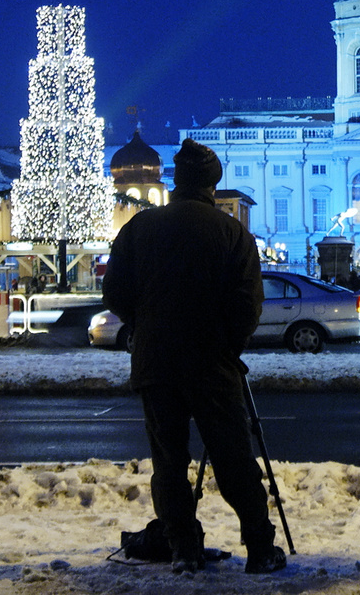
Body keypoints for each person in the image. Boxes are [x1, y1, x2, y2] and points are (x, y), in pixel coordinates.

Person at [101, 139, 287, 575]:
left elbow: (114, 292)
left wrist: (146, 324)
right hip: (211, 361)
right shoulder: (231, 232)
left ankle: (183, 547)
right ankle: (260, 548)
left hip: (156, 362)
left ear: (177, 180)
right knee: (233, 458)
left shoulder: (140, 228)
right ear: (213, 182)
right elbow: (248, 304)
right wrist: (227, 344)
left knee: (168, 462)